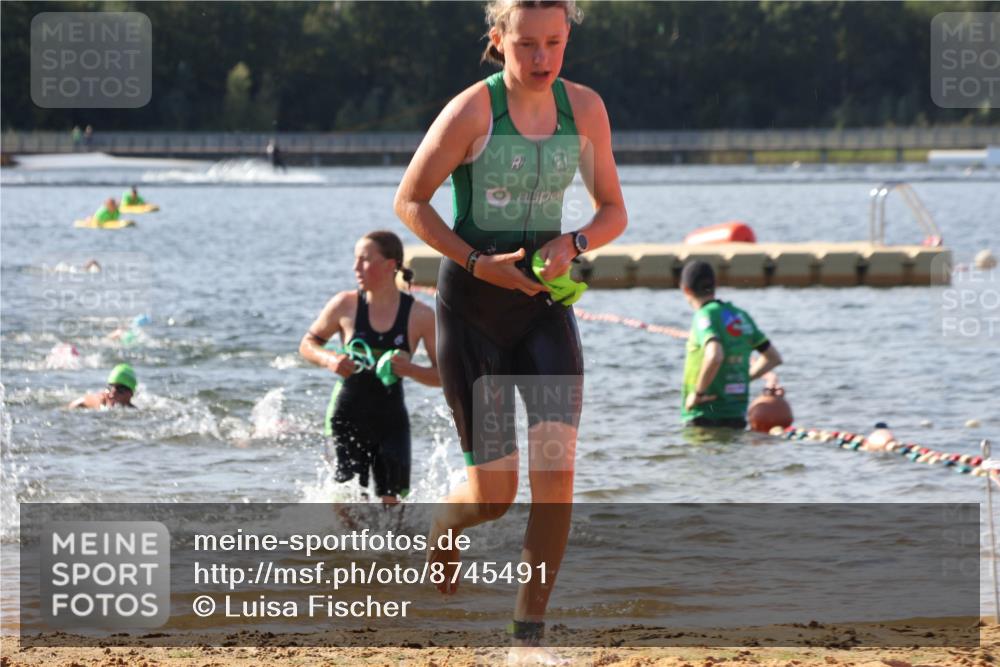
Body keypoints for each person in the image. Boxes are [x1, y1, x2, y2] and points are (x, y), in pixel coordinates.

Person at [393, 1, 626, 662]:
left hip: (544, 306)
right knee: (495, 496)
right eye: (527, 44)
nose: (542, 58)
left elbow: (614, 209)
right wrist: (474, 261)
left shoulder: (586, 110)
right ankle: (447, 523)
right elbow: (409, 200)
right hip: (472, 311)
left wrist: (573, 240)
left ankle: (528, 635)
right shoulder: (473, 111)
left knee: (557, 472)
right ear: (500, 41)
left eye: (555, 43)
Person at [299, 231, 440, 505]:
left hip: (391, 421)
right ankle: (351, 550)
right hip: (345, 417)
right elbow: (307, 344)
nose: (356, 268)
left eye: (364, 260)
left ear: (390, 265)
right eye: (355, 260)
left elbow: (443, 377)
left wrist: (411, 370)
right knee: (350, 502)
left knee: (393, 505)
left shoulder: (421, 315)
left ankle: (390, 550)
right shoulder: (345, 304)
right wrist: (330, 359)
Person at [680, 260, 783, 429]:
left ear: (686, 290)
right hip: (736, 413)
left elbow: (715, 355)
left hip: (704, 414)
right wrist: (744, 378)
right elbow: (773, 358)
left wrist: (698, 394)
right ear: (715, 285)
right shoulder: (740, 315)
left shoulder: (703, 316)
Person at [69, 364, 137, 409]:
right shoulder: (101, 402)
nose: (112, 394)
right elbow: (79, 401)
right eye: (110, 388)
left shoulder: (134, 411)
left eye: (120, 389)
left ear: (131, 394)